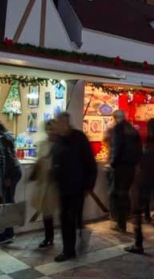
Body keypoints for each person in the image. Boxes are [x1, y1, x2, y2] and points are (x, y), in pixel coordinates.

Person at [52, 112, 97, 262]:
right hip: (63, 188)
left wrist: (88, 186)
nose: (56, 126)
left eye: (58, 123)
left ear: (65, 123)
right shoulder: (59, 139)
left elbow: (90, 164)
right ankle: (70, 247)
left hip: (77, 187)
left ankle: (69, 249)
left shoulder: (79, 138)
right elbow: (55, 160)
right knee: (64, 218)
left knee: (70, 218)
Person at [0, 119, 22, 244]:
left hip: (10, 173)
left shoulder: (0, 139)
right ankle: (8, 231)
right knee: (8, 202)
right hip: (14, 171)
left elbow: (6, 158)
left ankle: (9, 233)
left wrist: (6, 177)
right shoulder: (5, 137)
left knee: (8, 203)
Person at [107, 110, 141, 232]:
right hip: (131, 167)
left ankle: (121, 224)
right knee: (125, 193)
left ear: (115, 117)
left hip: (121, 166)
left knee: (119, 194)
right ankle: (126, 219)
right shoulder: (132, 129)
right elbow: (139, 149)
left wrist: (113, 163)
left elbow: (117, 147)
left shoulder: (118, 129)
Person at [30, 120, 59, 249]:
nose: (50, 131)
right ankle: (49, 237)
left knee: (56, 210)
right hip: (44, 181)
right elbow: (40, 160)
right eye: (48, 129)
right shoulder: (42, 144)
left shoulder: (61, 144)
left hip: (56, 182)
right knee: (46, 211)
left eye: (52, 129)